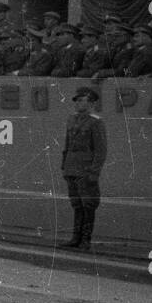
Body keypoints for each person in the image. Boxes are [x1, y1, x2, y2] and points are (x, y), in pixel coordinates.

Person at [60, 86, 106, 251]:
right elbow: (67, 145)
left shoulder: (95, 122)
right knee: (76, 204)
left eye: (82, 100)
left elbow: (100, 150)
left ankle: (86, 239)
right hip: (72, 167)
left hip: (86, 170)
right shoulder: (72, 119)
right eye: (77, 100)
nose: (78, 103)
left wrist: (94, 172)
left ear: (92, 103)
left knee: (88, 204)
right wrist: (65, 166)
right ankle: (75, 238)